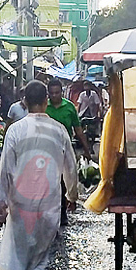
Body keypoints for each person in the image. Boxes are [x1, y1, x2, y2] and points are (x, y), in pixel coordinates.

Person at [0, 80, 78, 270]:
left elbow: (5, 171)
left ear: (25, 102)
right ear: (46, 101)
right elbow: (71, 167)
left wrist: (0, 207)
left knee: (18, 254)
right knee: (39, 264)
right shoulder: (59, 131)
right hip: (49, 207)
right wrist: (72, 195)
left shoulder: (15, 130)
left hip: (20, 206)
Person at [45, 78, 91, 226]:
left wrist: (86, 149)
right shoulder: (44, 106)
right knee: (49, 181)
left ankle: (63, 211)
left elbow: (78, 130)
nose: (54, 95)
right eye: (51, 93)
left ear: (61, 92)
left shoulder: (69, 107)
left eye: (57, 92)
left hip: (65, 150)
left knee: (65, 180)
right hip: (47, 150)